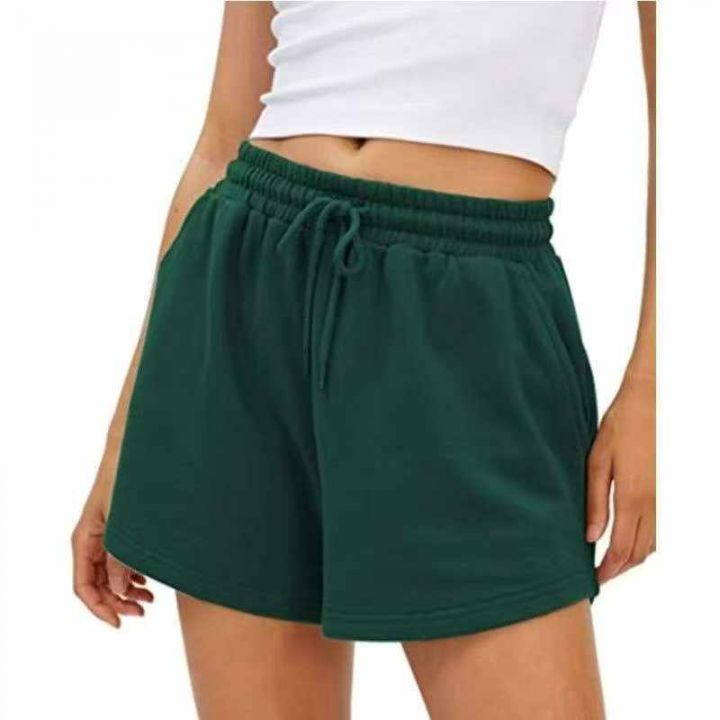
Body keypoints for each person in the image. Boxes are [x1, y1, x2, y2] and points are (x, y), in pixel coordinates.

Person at [72, 2, 656, 718]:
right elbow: (222, 140)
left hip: (467, 316)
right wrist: (125, 438)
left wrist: (656, 388)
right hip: (247, 284)